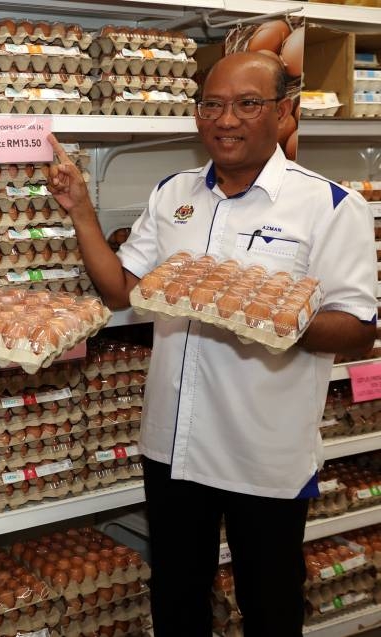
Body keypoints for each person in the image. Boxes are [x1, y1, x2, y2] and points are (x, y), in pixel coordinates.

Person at [46, 51, 376, 637]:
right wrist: (80, 212)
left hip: (264, 451)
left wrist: (259, 312)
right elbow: (121, 290)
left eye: (248, 104)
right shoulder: (175, 193)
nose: (226, 119)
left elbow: (357, 328)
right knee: (176, 590)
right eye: (213, 105)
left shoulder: (327, 205)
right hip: (173, 442)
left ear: (284, 113)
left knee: (270, 599)